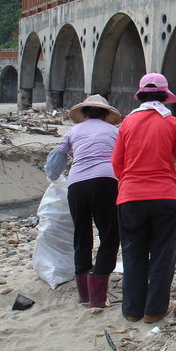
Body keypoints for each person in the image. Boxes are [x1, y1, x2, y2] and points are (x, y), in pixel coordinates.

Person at [111, 73, 176, 323]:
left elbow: (117, 162)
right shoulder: (173, 124)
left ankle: (132, 311)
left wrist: (127, 184)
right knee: (162, 253)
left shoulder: (127, 123)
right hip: (165, 198)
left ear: (142, 96)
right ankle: (154, 310)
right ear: (164, 97)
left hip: (130, 198)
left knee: (132, 252)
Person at [44, 94, 122, 308]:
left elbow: (55, 164)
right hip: (106, 183)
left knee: (82, 233)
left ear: (85, 113)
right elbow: (124, 158)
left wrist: (52, 178)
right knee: (109, 233)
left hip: (76, 185)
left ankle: (84, 294)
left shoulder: (73, 131)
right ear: (106, 114)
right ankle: (98, 295)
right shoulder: (114, 131)